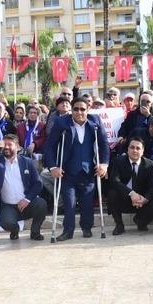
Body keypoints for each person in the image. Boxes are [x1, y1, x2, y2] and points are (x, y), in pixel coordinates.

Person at [44, 97, 109, 241]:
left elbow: (104, 144)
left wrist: (104, 164)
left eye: (83, 109)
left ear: (88, 110)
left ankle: (87, 228)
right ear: (71, 110)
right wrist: (53, 167)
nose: (79, 112)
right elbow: (50, 146)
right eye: (76, 109)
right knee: (69, 203)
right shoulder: (62, 122)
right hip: (67, 171)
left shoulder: (95, 122)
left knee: (87, 203)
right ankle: (68, 231)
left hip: (88, 171)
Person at [0, 134, 46, 241]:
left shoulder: (27, 162)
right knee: (6, 223)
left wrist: (27, 199)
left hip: (26, 204)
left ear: (17, 147)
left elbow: (38, 183)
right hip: (8, 206)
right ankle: (14, 230)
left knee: (41, 204)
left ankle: (35, 232)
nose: (6, 147)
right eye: (4, 144)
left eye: (9, 145)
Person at [106, 137, 153, 235]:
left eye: (138, 148)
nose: (134, 150)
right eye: (132, 147)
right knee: (112, 194)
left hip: (141, 201)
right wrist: (131, 193)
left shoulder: (149, 164)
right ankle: (119, 225)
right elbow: (115, 181)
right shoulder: (119, 161)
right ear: (127, 150)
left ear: (143, 151)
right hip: (125, 198)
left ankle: (141, 221)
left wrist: (145, 199)